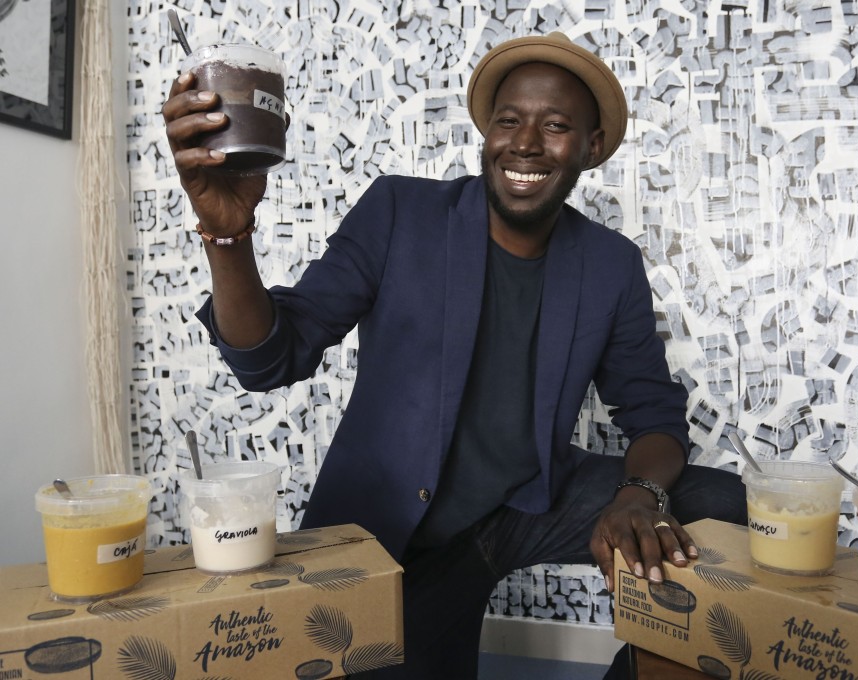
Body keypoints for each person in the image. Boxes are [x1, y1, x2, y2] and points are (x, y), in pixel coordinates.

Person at [164, 31, 748, 679]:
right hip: (398, 533)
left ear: (593, 146)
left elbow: (654, 412)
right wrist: (227, 232)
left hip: (531, 502)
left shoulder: (609, 263)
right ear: (487, 133)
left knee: (717, 503)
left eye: (555, 126)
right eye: (509, 121)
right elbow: (271, 359)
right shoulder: (400, 213)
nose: (526, 143)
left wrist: (639, 497)